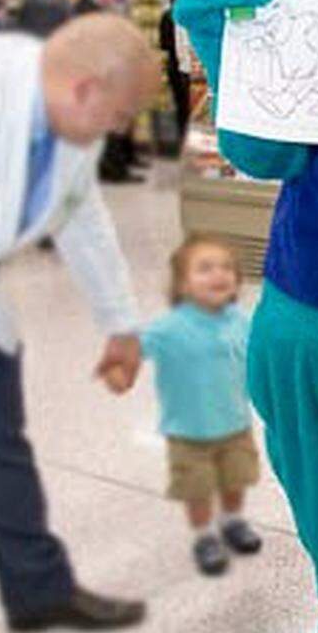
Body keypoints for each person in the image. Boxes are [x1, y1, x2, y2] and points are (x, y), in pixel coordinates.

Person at [0, 14, 159, 631]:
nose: (118, 130)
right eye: (117, 118)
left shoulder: (69, 131)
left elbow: (82, 218)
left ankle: (36, 590)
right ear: (85, 90)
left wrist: (121, 325)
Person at [123, 236, 262, 577]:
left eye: (226, 268)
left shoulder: (240, 321)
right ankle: (204, 536)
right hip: (188, 432)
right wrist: (119, 366)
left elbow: (257, 356)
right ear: (182, 284)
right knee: (197, 489)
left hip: (235, 424)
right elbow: (133, 351)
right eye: (205, 269)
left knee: (236, 480)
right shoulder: (168, 328)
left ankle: (232, 521)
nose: (219, 275)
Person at [161, 0, 192, 155]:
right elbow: (164, 44)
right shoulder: (167, 16)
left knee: (192, 107)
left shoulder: (192, 15)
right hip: (177, 68)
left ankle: (190, 142)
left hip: (192, 69)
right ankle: (181, 143)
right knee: (181, 107)